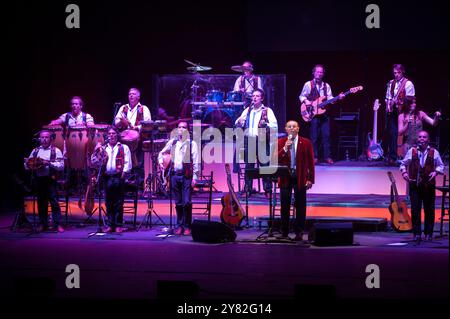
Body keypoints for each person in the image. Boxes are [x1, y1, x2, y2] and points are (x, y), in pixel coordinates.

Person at [399, 130, 444, 242]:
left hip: (428, 186)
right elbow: (403, 163)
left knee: (429, 210)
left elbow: (441, 165)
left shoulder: (434, 152)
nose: (421, 139)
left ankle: (428, 233)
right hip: (415, 185)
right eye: (420, 137)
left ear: (428, 140)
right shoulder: (412, 151)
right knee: (415, 210)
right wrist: (404, 173)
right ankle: (417, 233)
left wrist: (436, 172)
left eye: (424, 137)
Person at [158, 121, 199, 236]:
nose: (181, 129)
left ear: (188, 129)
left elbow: (196, 162)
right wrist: (161, 163)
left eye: (184, 127)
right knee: (178, 202)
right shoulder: (173, 142)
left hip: (186, 176)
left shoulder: (191, 144)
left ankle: (187, 226)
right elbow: (162, 153)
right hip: (175, 175)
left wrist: (195, 177)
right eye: (179, 127)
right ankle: (179, 225)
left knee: (186, 202)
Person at [235, 88, 278, 198]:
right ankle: (247, 189)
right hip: (250, 141)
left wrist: (266, 125)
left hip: (262, 141)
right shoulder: (248, 110)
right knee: (249, 166)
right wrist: (239, 122)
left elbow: (274, 126)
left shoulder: (267, 111)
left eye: (257, 96)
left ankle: (267, 190)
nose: (254, 97)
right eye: (253, 96)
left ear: (262, 98)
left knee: (264, 166)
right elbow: (238, 121)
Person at [299, 64, 344, 164]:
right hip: (312, 113)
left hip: (324, 114)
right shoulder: (308, 84)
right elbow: (302, 96)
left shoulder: (326, 86)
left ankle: (327, 157)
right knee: (314, 137)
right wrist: (306, 101)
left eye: (321, 72)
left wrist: (337, 98)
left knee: (326, 136)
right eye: (317, 72)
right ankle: (314, 157)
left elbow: (330, 99)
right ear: (314, 73)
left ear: (323, 74)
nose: (319, 74)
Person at [277, 121, 315, 240]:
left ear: (298, 129)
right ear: (286, 129)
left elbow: (311, 162)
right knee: (285, 205)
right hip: (285, 177)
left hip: (300, 177)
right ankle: (284, 232)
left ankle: (299, 232)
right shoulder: (281, 142)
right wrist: (284, 148)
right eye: (289, 126)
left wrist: (310, 179)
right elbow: (275, 159)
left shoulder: (306, 142)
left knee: (300, 205)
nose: (292, 128)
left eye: (294, 126)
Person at [91, 126, 132, 233]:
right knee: (108, 202)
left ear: (117, 135)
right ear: (107, 136)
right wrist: (96, 150)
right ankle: (110, 225)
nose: (111, 136)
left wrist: (123, 174)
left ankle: (118, 225)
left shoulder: (123, 147)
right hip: (107, 177)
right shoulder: (104, 148)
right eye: (109, 134)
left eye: (113, 133)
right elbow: (94, 163)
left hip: (118, 177)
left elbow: (128, 162)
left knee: (118, 202)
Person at [24, 130, 65, 232]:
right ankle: (42, 223)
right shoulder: (35, 151)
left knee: (54, 202)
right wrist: (30, 164)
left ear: (51, 139)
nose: (44, 139)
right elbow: (27, 166)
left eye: (46, 137)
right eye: (42, 137)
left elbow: (61, 166)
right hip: (39, 179)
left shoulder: (56, 151)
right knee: (41, 203)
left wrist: (49, 164)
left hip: (51, 180)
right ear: (39, 139)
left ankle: (57, 224)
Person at [385, 64, 415, 165]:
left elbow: (410, 98)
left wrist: (399, 101)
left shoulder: (408, 83)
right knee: (392, 133)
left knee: (405, 134)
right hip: (393, 111)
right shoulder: (391, 83)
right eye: (395, 73)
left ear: (402, 72)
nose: (396, 75)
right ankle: (393, 157)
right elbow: (388, 96)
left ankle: (406, 156)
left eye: (398, 73)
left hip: (404, 111)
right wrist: (388, 104)